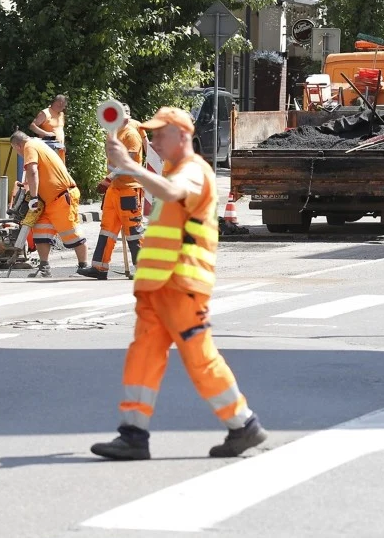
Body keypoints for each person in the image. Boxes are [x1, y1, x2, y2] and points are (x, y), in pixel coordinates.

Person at [90, 106, 268, 461]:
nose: (153, 139)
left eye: (160, 133)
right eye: (151, 133)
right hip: (159, 289)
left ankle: (243, 424)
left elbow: (172, 193)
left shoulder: (194, 172)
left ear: (182, 136)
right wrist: (130, 169)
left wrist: (130, 165)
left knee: (199, 358)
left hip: (182, 285)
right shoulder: (174, 171)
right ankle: (133, 434)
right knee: (142, 356)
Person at [78, 103, 144, 279]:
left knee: (133, 232)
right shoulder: (113, 134)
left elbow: (127, 163)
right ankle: (99, 268)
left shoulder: (131, 135)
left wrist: (108, 179)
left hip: (129, 190)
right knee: (107, 229)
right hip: (114, 190)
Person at [10, 130, 89, 277]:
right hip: (48, 200)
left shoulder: (29, 146)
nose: (18, 153)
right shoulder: (38, 144)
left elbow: (33, 171)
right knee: (41, 231)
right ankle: (44, 267)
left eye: (15, 150)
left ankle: (83, 267)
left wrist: (33, 197)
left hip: (61, 198)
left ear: (18, 145)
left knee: (71, 232)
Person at [31, 94, 68, 162]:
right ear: (59, 103)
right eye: (63, 106)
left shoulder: (61, 114)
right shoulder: (45, 113)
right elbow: (32, 126)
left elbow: (60, 130)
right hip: (48, 147)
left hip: (60, 148)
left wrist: (63, 145)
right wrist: (46, 133)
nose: (64, 108)